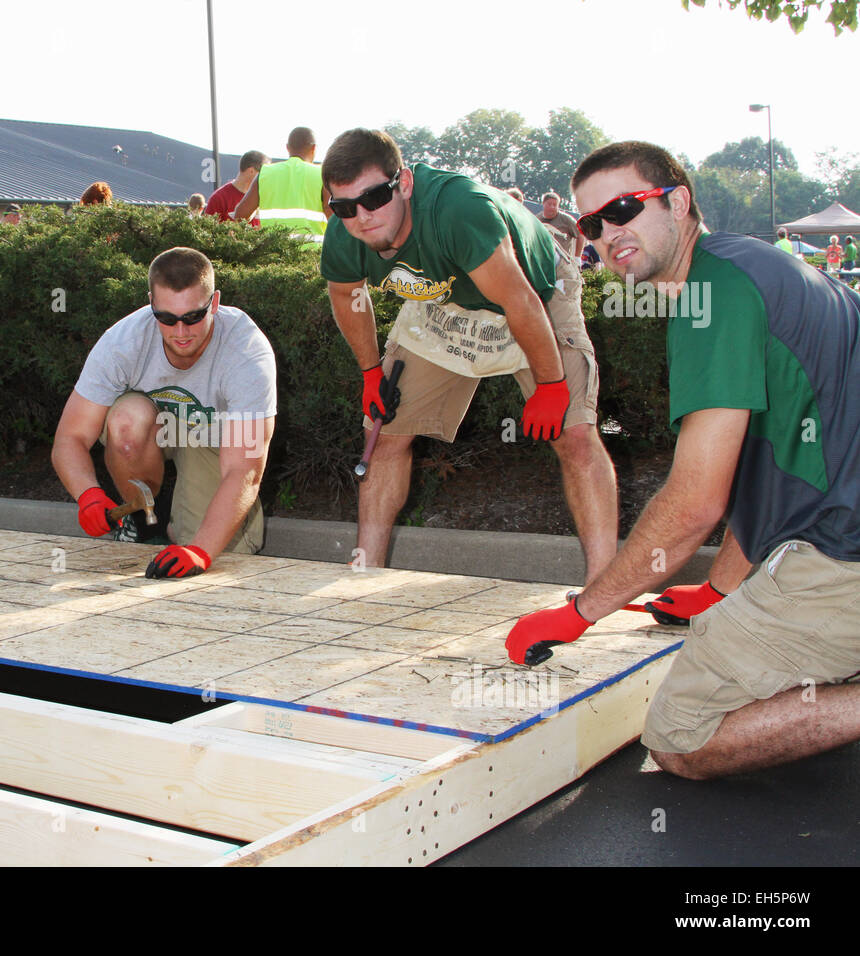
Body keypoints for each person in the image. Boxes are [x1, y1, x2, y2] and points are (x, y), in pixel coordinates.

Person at [505, 139, 860, 781]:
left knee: (681, 740)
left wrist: (582, 610)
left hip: (844, 557)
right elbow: (772, 471)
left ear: (678, 201)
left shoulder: (714, 295)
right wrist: (718, 589)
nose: (608, 234)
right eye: (591, 224)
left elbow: (697, 502)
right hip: (838, 534)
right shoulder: (755, 266)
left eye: (623, 209)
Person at [319, 128, 618, 576]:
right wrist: (369, 373)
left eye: (374, 198)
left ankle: (604, 583)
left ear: (403, 183)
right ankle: (365, 569)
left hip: (531, 289)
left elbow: (519, 301)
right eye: (344, 207)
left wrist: (552, 386)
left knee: (574, 434)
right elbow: (346, 296)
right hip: (444, 301)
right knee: (385, 433)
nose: (361, 217)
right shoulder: (348, 234)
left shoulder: (460, 210)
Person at [51, 247, 276, 578]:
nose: (181, 331)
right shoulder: (123, 342)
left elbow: (245, 470)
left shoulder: (246, 353)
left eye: (193, 317)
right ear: (151, 305)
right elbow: (70, 437)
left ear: (214, 303)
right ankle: (141, 522)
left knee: (223, 557)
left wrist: (200, 550)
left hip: (214, 440)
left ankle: (178, 529)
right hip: (153, 426)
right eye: (167, 319)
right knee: (127, 419)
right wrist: (88, 495)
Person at [233, 127, 331, 240]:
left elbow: (240, 215)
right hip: (312, 254)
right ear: (314, 148)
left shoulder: (265, 174)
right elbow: (332, 215)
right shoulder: (322, 174)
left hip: (272, 253)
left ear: (287, 148)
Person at [205, 150, 267, 225]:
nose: (266, 178)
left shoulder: (263, 196)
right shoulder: (219, 198)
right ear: (251, 171)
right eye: (264, 173)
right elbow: (208, 230)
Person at [538, 191, 585, 263]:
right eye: (549, 204)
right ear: (543, 204)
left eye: (554, 205)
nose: (552, 207)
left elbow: (581, 235)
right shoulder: (536, 220)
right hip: (541, 259)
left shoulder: (566, 220)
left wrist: (577, 257)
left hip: (562, 261)